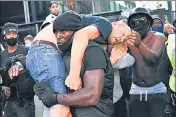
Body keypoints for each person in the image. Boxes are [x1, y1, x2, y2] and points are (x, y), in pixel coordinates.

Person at [124, 7, 167, 117]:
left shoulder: (158, 37)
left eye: (142, 20)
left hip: (156, 91)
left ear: (149, 23)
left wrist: (139, 44)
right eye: (134, 21)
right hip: (136, 91)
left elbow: (152, 58)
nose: (138, 24)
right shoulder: (128, 40)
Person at [0, 22, 35, 117]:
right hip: (8, 102)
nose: (12, 36)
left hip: (25, 101)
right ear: (4, 36)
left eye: (14, 34)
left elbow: (34, 68)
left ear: (17, 35)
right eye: (8, 34)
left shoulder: (26, 50)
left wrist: (20, 64)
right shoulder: (2, 55)